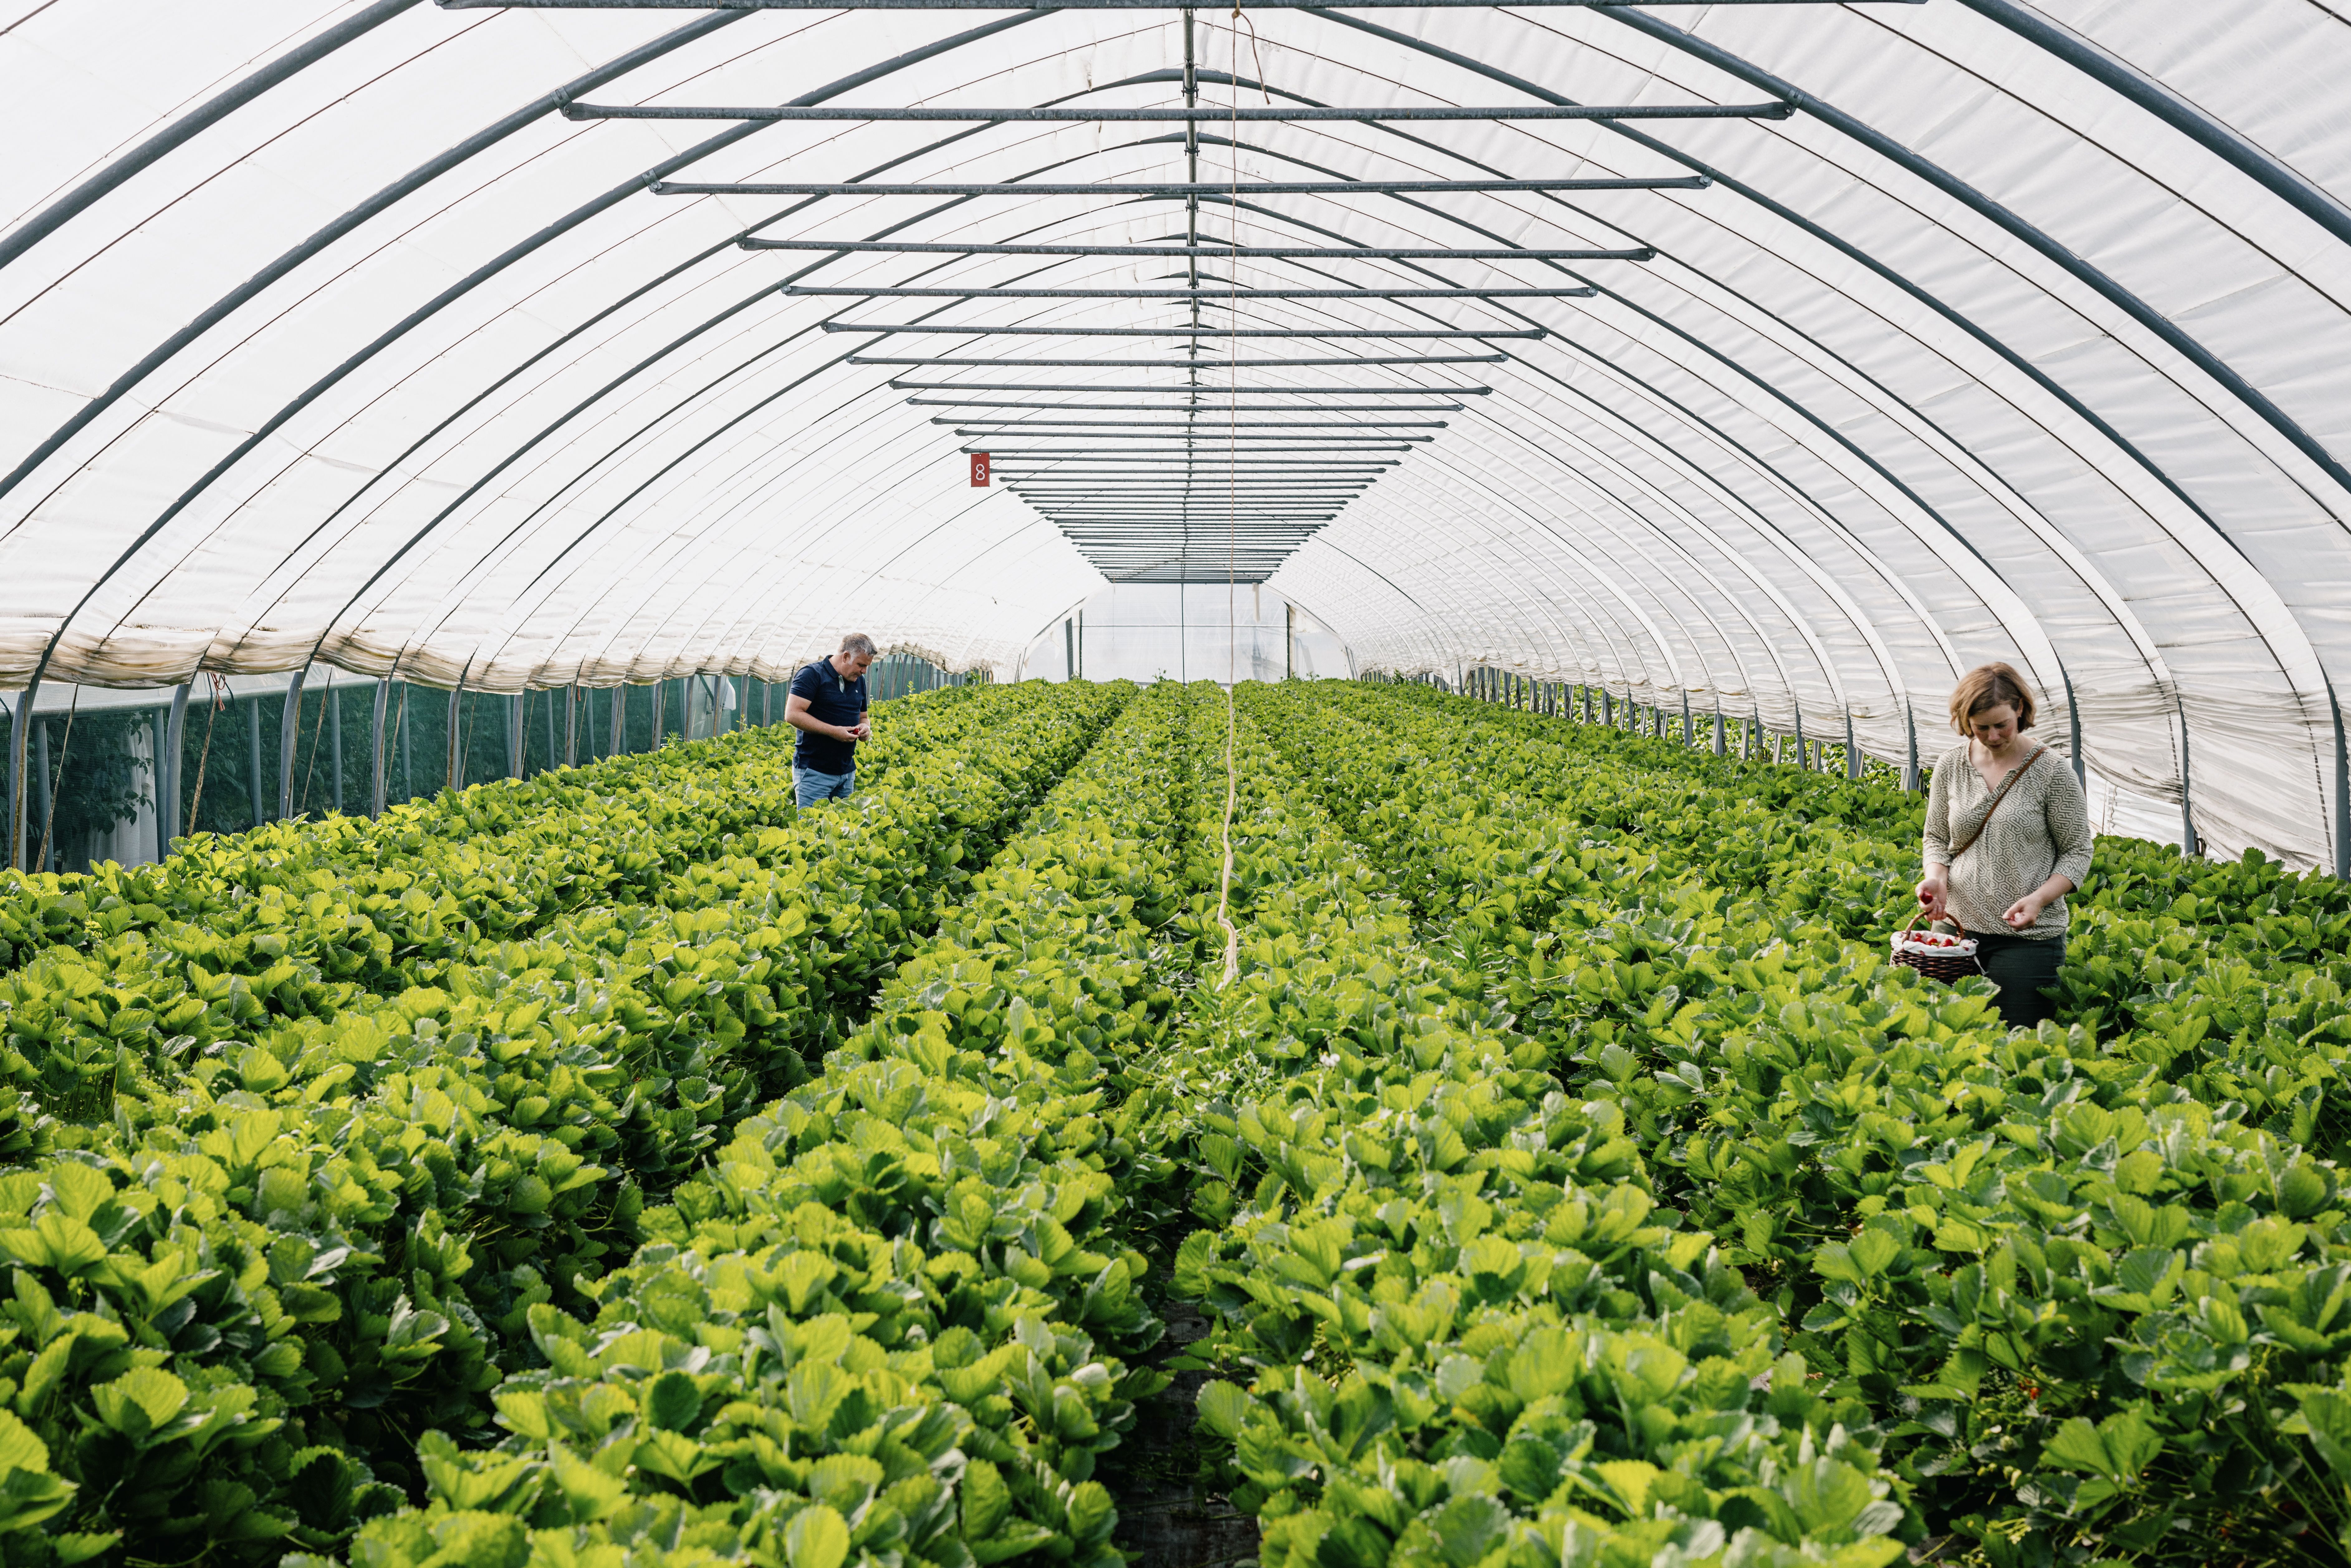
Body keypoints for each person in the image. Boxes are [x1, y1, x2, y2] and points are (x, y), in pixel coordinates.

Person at [1915, 662, 2094, 1030]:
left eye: (2002, 725)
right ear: (1966, 722)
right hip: (1955, 930)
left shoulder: (2053, 772)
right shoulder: (1950, 766)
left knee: (2019, 1041)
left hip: (2027, 939)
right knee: (1949, 1038)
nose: (1993, 736)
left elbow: (2077, 851)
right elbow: (1935, 838)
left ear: (2020, 711)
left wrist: (2039, 899)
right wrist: (1936, 879)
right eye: (1981, 728)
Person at [785, 634, 875, 806]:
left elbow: (863, 717)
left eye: (867, 666)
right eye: (861, 665)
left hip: (846, 772)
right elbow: (793, 714)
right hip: (814, 773)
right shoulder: (812, 675)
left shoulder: (859, 681)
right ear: (846, 657)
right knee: (811, 828)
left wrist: (865, 728)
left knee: (843, 829)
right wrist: (833, 732)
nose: (864, 671)